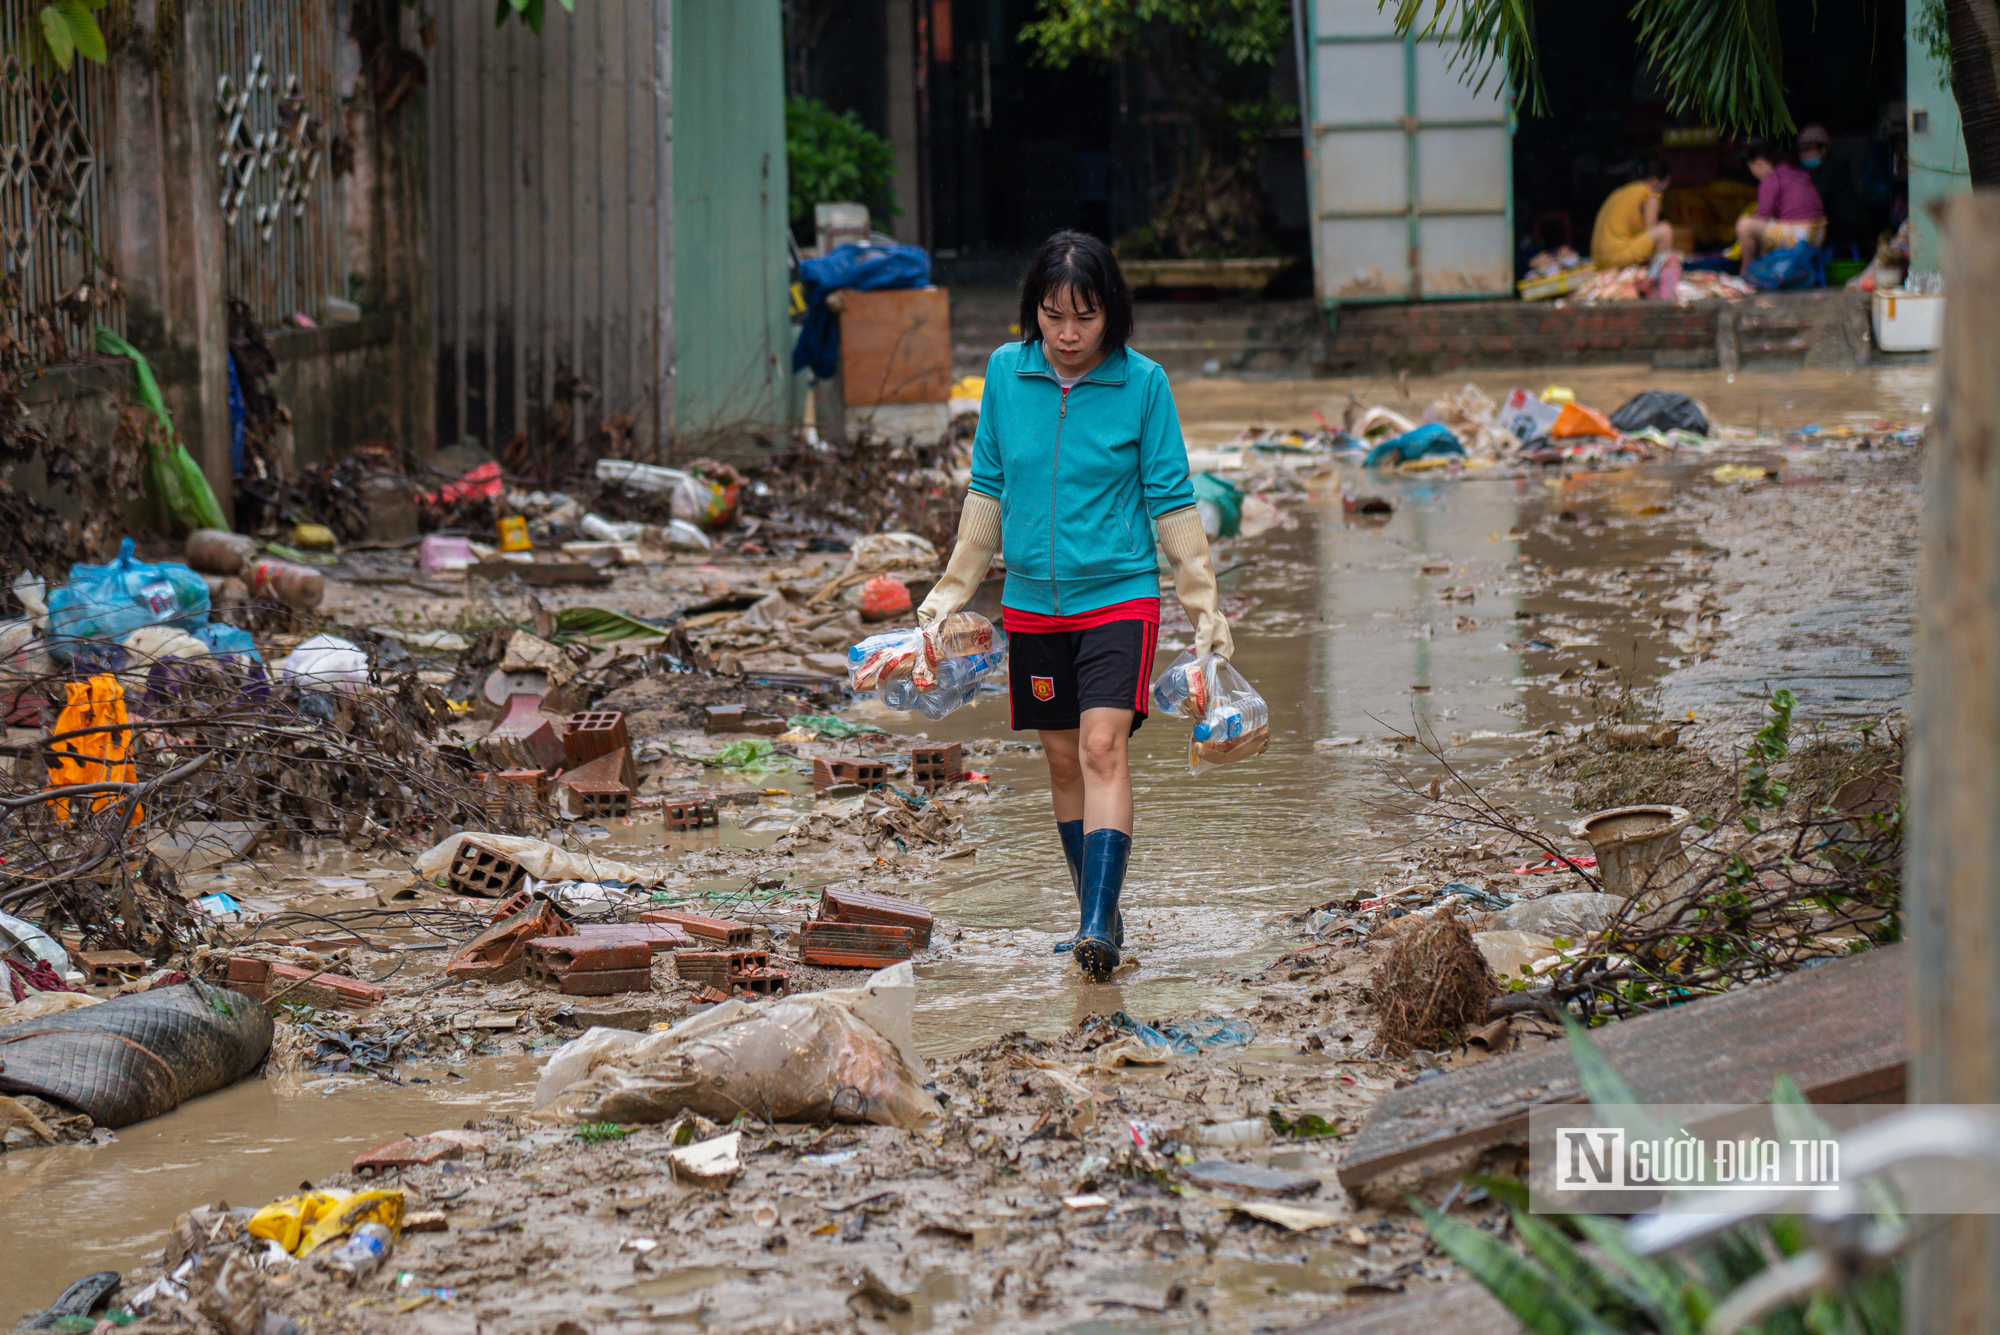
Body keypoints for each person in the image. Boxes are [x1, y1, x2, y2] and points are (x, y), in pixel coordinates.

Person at [915, 230, 1232, 981]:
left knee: (1100, 748)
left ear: (1111, 316)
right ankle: (1100, 908)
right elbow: (987, 490)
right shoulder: (1005, 373)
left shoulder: (1143, 385)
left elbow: (1173, 501)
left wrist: (1203, 605)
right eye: (1053, 315)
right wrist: (947, 595)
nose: (1066, 334)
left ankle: (1096, 925)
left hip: (1119, 596)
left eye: (1084, 318)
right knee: (1062, 762)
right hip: (1030, 604)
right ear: (1035, 312)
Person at [1737, 139, 1826, 270]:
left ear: (1759, 163)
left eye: (1752, 168)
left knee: (1744, 225)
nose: (1754, 173)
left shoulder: (1771, 178)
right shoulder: (1795, 171)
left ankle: (1746, 272)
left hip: (1800, 234)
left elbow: (1763, 217)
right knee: (1767, 237)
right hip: (1819, 234)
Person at [1590, 160, 1675, 270]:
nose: (1663, 193)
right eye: (1664, 187)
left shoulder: (1623, 191)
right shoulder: (1650, 195)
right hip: (1616, 257)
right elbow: (1651, 232)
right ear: (1654, 180)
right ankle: (1657, 280)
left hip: (1599, 260)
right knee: (1665, 231)